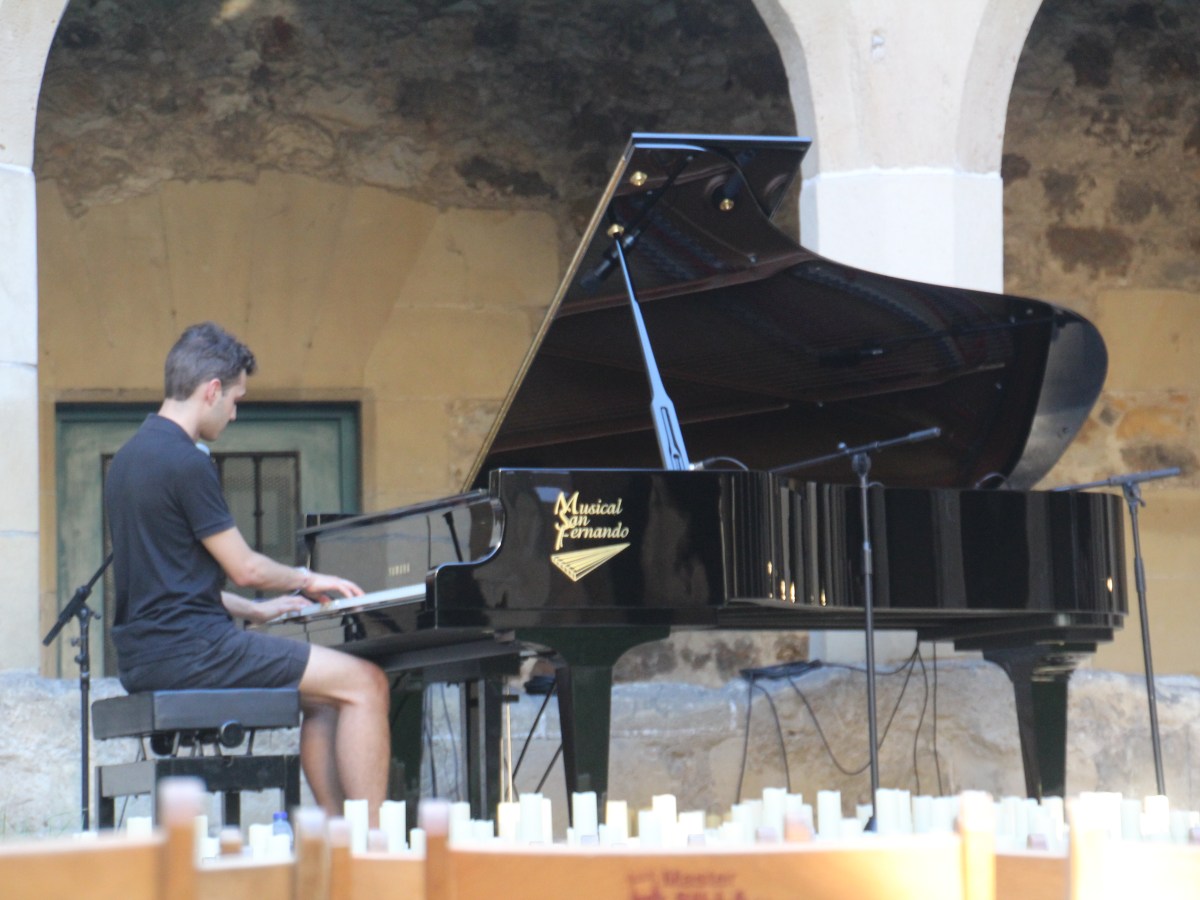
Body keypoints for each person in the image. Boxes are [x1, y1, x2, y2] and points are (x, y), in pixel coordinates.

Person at [105, 321, 391, 825]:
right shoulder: (186, 462)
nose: (235, 413)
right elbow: (245, 567)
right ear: (211, 390)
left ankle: (336, 838)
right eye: (236, 400)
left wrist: (258, 612)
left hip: (144, 658)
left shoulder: (126, 461)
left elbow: (169, 582)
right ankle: (371, 845)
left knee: (327, 699)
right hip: (196, 651)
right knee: (366, 682)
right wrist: (307, 579)